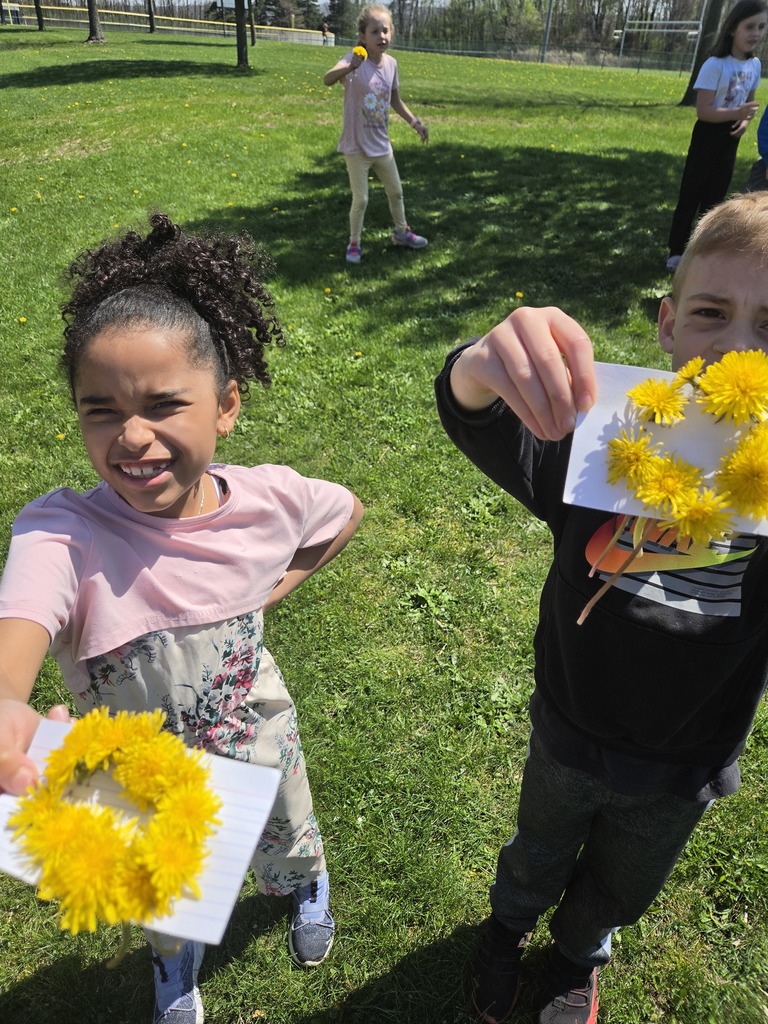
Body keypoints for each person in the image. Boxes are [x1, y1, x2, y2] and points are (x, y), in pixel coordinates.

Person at [0, 213, 364, 1024]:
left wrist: (275, 588)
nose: (133, 436)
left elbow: (343, 513)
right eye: (101, 410)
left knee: (286, 830)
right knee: (164, 887)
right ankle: (175, 966)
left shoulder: (270, 499)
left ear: (227, 405)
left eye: (165, 404)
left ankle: (305, 885)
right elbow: (24, 606)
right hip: (133, 772)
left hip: (256, 728)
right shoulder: (66, 530)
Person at [435, 190, 768, 1024]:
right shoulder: (610, 444)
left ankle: (580, 955)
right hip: (571, 727)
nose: (735, 350)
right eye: (710, 313)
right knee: (537, 849)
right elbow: (480, 422)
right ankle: (507, 930)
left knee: (623, 883)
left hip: (689, 756)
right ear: (666, 323)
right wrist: (477, 367)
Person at [323, 4, 429, 265]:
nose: (382, 36)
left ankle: (402, 232)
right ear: (362, 36)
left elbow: (395, 100)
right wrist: (349, 68)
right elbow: (327, 79)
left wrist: (415, 122)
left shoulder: (391, 64)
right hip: (356, 146)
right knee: (361, 200)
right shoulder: (353, 59)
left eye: (386, 30)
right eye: (375, 31)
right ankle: (354, 243)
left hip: (381, 144)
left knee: (396, 192)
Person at [665, 0, 767, 272]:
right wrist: (738, 113)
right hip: (708, 134)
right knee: (692, 193)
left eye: (761, 27)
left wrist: (744, 123)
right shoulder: (715, 64)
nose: (756, 33)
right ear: (733, 28)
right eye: (749, 27)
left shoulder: (754, 65)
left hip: (730, 138)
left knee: (715, 197)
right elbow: (704, 111)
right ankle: (676, 251)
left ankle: (703, 250)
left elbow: (750, 105)